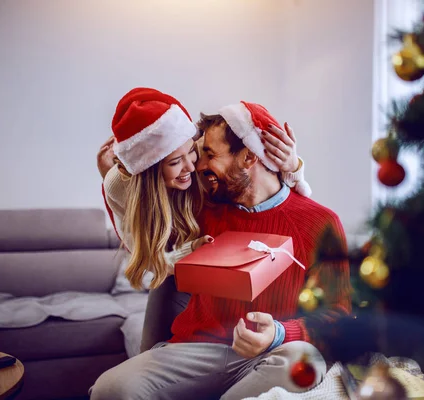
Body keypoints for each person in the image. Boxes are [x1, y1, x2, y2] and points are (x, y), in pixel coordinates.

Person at [90, 98, 351, 400]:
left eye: (209, 155)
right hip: (200, 351)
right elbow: (144, 204)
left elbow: (338, 316)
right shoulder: (200, 206)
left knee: (304, 359)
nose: (198, 166)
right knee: (110, 389)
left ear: (249, 158)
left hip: (272, 353)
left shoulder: (320, 223)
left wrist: (279, 332)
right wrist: (113, 173)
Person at [97, 88, 311, 351]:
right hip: (172, 271)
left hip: (210, 268)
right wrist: (188, 253)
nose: (193, 166)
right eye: (176, 162)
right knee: (149, 355)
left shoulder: (194, 157)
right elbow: (152, 259)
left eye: (194, 152)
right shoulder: (119, 187)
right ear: (150, 170)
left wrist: (292, 167)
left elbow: (250, 174)